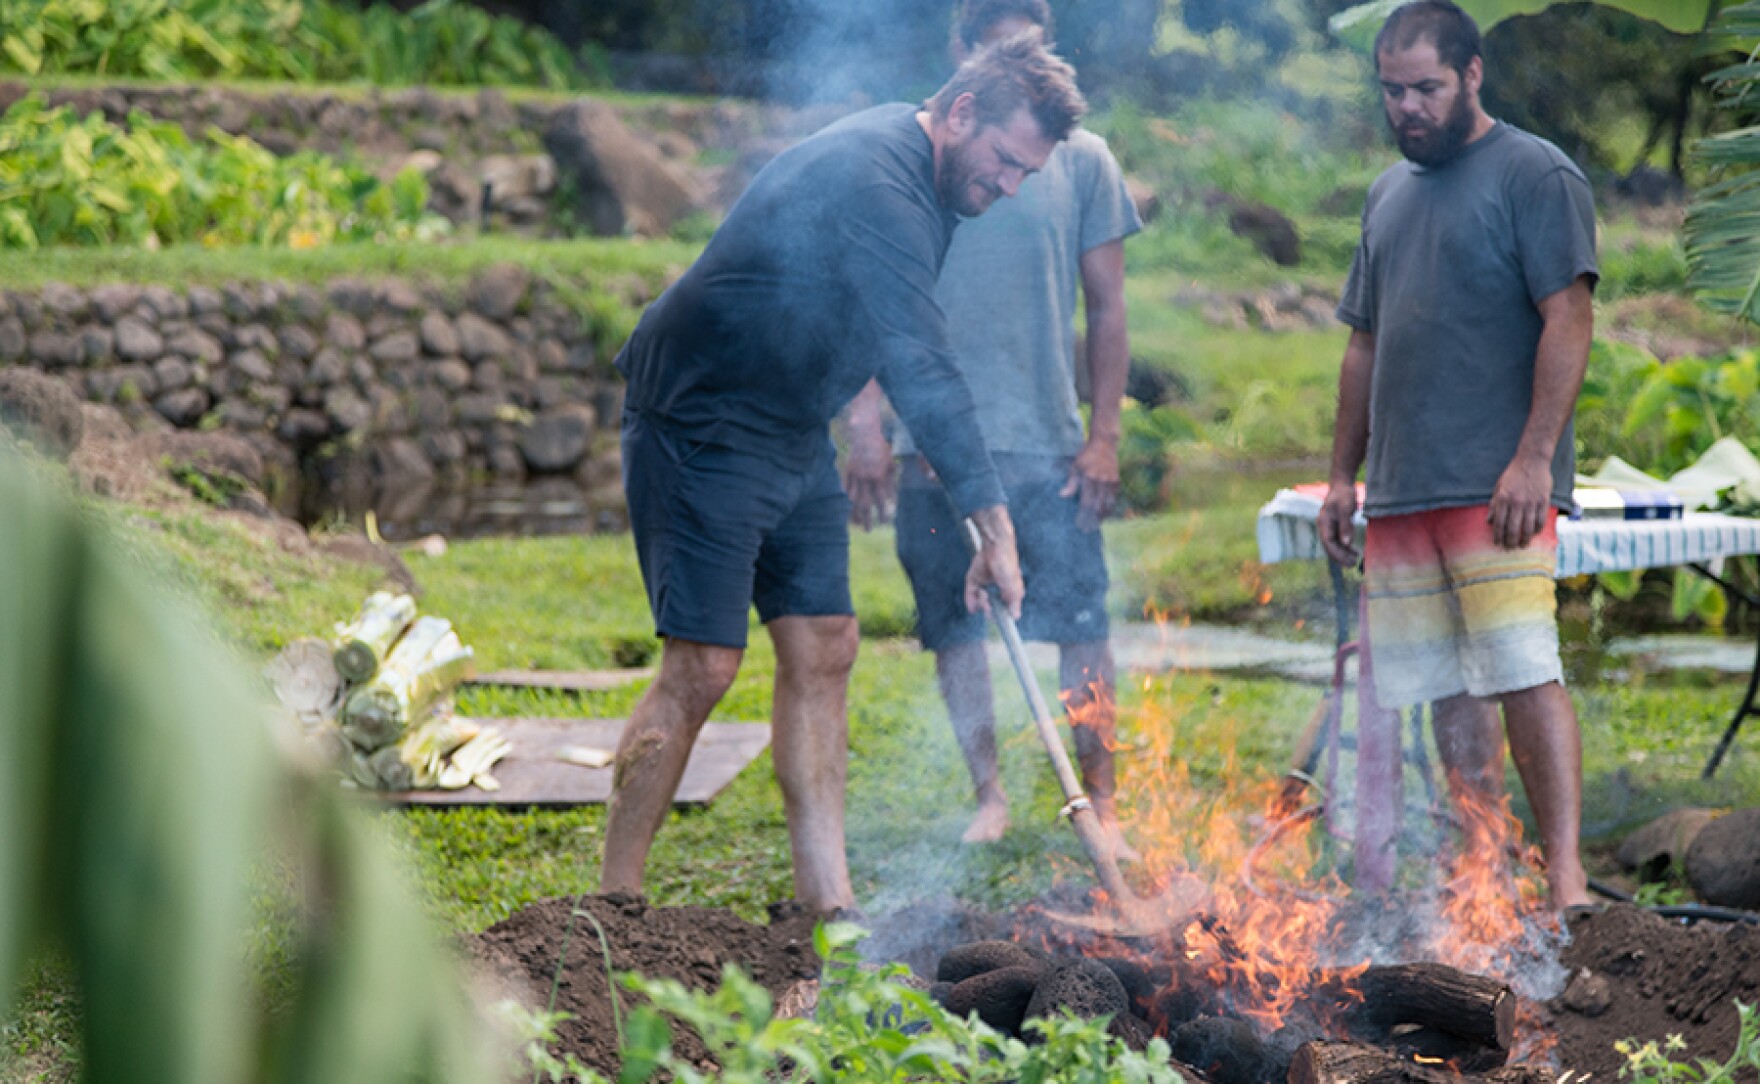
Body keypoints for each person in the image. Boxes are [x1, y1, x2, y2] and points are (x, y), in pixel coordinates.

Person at [602, 33, 1089, 911]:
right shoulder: (880, 177)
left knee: (826, 645)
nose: (1010, 186)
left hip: (790, 425)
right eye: (1006, 162)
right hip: (702, 416)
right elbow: (920, 362)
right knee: (705, 665)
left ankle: (827, 905)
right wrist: (995, 520)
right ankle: (614, 905)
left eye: (1026, 173)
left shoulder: (934, 180)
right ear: (963, 111)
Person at [1316, 0, 1597, 910]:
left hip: (1497, 486)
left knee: (1521, 669)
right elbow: (1364, 343)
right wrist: (1340, 476)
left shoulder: (1535, 174)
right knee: (1444, 686)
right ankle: (1484, 868)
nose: (1408, 108)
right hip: (1402, 491)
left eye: (1426, 88)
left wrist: (1532, 460)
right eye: (1392, 91)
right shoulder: (1386, 192)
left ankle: (1564, 877)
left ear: (1473, 75)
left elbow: (1570, 317)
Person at [844, 0, 1141, 850]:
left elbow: (1109, 307)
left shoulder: (1083, 161)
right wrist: (868, 422)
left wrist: (1105, 436)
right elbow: (874, 301)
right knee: (955, 627)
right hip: (933, 445)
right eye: (1003, 51)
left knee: (1082, 624)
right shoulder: (922, 166)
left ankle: (1105, 805)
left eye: (1035, 51)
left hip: (1048, 435)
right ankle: (991, 797)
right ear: (962, 57)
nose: (1023, 67)